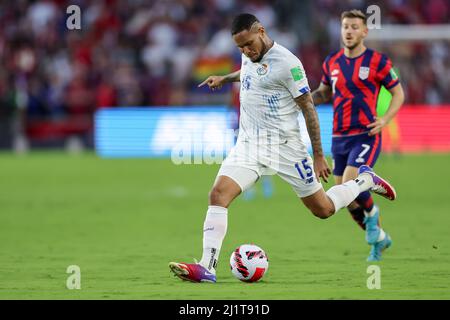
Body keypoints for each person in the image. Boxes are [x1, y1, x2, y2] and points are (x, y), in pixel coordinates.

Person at [169, 13, 396, 283]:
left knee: (322, 209)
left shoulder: (289, 64)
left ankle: (364, 180)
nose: (246, 51)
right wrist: (225, 78)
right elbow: (251, 72)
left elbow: (309, 109)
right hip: (249, 145)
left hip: (286, 148)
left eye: (249, 44)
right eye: (240, 47)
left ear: (261, 31)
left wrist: (319, 156)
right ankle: (207, 266)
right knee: (218, 194)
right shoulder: (249, 53)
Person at [311, 10, 404, 261]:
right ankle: (380, 239)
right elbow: (323, 93)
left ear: (364, 31)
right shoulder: (331, 62)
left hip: (365, 134)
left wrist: (384, 119)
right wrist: (305, 99)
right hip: (339, 137)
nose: (348, 31)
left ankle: (373, 216)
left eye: (354, 27)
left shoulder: (378, 61)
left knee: (351, 183)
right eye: (345, 26)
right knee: (344, 198)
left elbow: (398, 94)